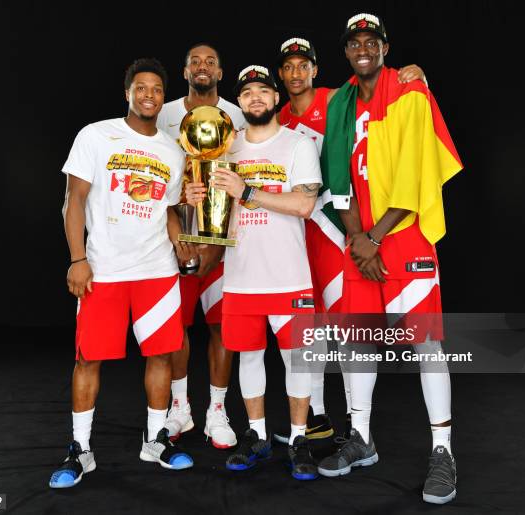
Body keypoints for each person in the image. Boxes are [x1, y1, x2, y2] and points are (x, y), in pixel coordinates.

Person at [314, 14, 463, 506]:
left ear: (384, 47)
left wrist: (375, 237)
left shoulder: (408, 91)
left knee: (426, 344)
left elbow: (416, 173)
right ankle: (362, 438)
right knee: (358, 341)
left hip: (404, 236)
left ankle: (443, 451)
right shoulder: (340, 103)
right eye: (354, 42)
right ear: (347, 51)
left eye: (370, 41)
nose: (362, 48)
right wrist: (357, 236)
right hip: (361, 240)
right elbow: (342, 179)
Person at [273, 36, 427, 445]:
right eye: (288, 66)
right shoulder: (279, 118)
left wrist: (419, 77)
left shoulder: (337, 99)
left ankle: (353, 424)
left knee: (347, 327)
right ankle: (316, 414)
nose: (295, 73)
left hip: (338, 229)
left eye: (303, 65)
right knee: (310, 326)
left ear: (315, 70)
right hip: (297, 232)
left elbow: (382, 87)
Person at [49, 58, 194, 489]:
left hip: (157, 271)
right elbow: (74, 199)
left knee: (161, 355)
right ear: (128, 93)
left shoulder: (172, 150)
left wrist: (180, 240)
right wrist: (78, 258)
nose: (149, 94)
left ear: (162, 97)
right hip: (106, 269)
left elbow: (168, 209)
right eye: (141, 88)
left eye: (156, 89)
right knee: (88, 358)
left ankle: (155, 440)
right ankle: (81, 449)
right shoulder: (96, 135)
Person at [186, 65, 322, 480]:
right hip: (242, 276)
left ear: (276, 98)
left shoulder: (297, 145)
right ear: (239, 102)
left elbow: (303, 205)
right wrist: (194, 197)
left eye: (264, 90)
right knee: (248, 355)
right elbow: (217, 213)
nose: (256, 98)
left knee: (297, 361)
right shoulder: (226, 147)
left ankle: (299, 439)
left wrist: (247, 191)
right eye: (248, 93)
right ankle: (257, 436)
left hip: (289, 275)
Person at [156, 43, 246, 449]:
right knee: (174, 330)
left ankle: (217, 411)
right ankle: (180, 408)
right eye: (195, 61)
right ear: (185, 70)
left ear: (221, 72)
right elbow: (155, 181)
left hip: (224, 241)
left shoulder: (239, 114)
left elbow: (246, 179)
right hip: (174, 241)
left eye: (211, 60)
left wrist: (220, 244)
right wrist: (179, 235)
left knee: (221, 326)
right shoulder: (163, 115)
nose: (203, 66)